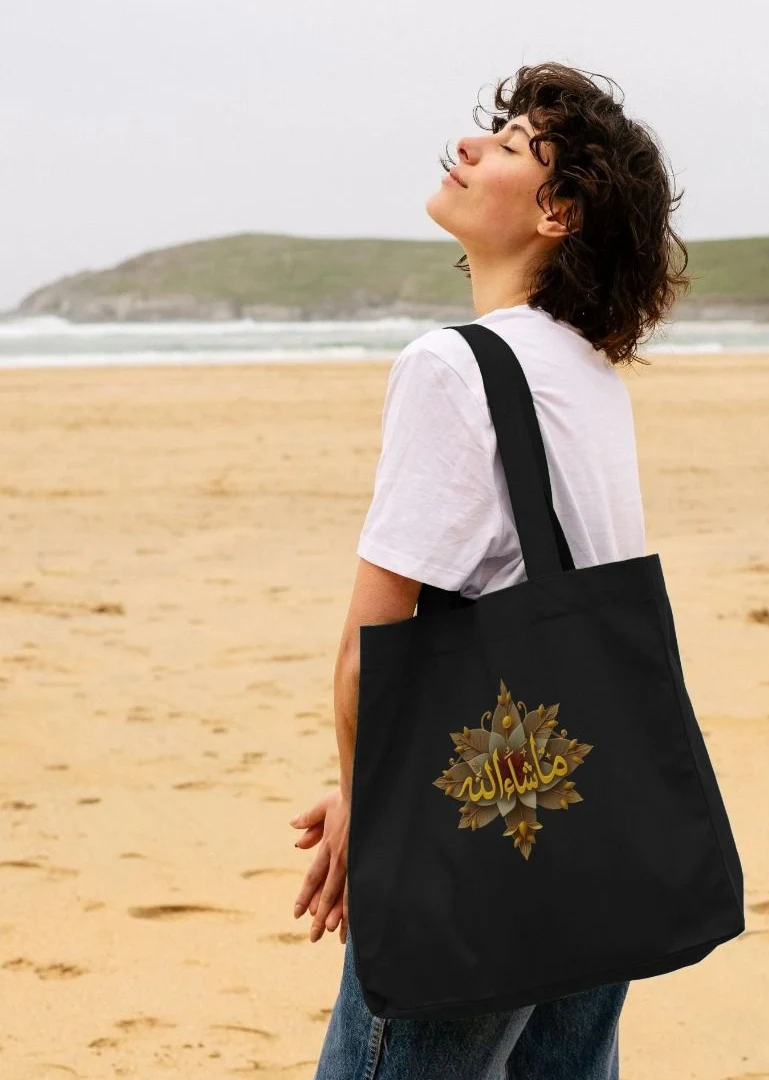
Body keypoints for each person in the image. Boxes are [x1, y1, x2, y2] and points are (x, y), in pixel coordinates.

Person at [288, 60, 690, 1080]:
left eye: (510, 145)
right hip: (601, 811)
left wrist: (369, 805)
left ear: (558, 214)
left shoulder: (451, 364)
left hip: (490, 815)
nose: (468, 145)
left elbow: (373, 645)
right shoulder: (588, 372)